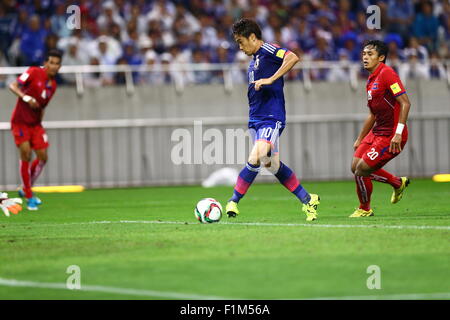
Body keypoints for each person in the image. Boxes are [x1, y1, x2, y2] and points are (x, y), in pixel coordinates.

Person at [225, 19, 320, 221]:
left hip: (271, 118)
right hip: (255, 119)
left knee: (256, 157)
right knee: (271, 164)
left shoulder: (268, 49)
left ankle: (233, 201)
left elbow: (293, 57)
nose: (240, 47)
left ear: (252, 37)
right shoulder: (254, 61)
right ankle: (307, 198)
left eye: (241, 42)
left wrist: (271, 79)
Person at [351, 40, 411, 217]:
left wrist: (398, 134)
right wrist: (360, 138)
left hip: (391, 135)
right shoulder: (371, 80)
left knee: (361, 169)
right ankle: (396, 182)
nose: (365, 57)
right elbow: (372, 114)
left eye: (370, 54)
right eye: (364, 54)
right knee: (355, 166)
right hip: (376, 132)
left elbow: (405, 103)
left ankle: (364, 208)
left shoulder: (388, 74)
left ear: (381, 58)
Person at [8, 49, 62, 210]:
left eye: (57, 64)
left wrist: (39, 123)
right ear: (45, 63)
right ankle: (30, 197)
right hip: (20, 122)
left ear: (59, 67)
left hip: (35, 125)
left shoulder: (53, 86)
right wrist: (25, 97)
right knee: (26, 153)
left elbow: (42, 107)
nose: (53, 66)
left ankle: (26, 187)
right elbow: (13, 85)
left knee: (43, 157)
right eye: (51, 62)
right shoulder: (33, 72)